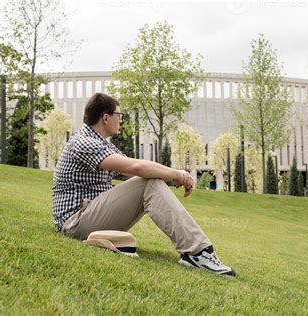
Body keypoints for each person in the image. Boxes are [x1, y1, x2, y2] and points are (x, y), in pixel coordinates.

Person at [52, 92, 236, 277]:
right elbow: (136, 167)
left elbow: (136, 169)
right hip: (76, 222)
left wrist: (175, 177)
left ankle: (198, 252)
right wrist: (176, 175)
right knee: (148, 183)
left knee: (150, 181)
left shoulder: (100, 143)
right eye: (119, 115)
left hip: (89, 216)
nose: (121, 120)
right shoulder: (84, 143)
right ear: (106, 117)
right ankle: (199, 253)